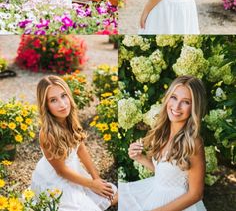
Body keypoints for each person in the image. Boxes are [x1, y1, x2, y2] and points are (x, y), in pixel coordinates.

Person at [119, 75, 207, 211]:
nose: (176, 106)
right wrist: (140, 158)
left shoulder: (193, 142)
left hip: (176, 205)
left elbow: (196, 194)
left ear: (194, 107)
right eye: (174, 97)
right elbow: (167, 175)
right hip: (155, 193)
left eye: (186, 102)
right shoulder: (163, 132)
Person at [31, 75, 117, 211]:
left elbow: (81, 148)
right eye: (53, 100)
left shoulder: (69, 119)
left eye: (63, 96)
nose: (62, 104)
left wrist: (96, 179)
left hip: (75, 172)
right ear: (46, 106)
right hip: (57, 181)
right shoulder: (48, 134)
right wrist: (92, 185)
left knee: (113, 194)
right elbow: (61, 171)